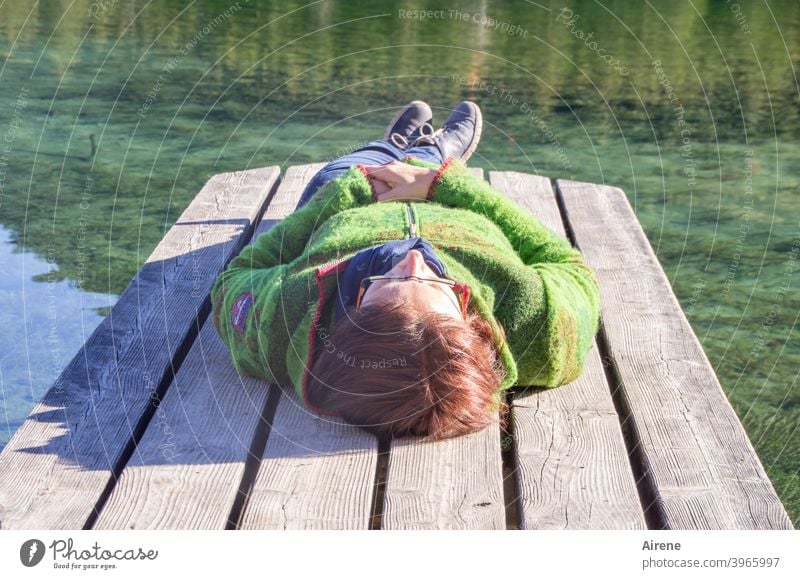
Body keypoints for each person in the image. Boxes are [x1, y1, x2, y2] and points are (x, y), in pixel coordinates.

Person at [211, 100, 601, 441]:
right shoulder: (541, 330)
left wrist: (347, 195)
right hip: (445, 200)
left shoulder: (281, 324)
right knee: (431, 160)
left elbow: (237, 276)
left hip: (349, 200)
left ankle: (391, 145)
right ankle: (434, 151)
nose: (414, 259)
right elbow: (570, 266)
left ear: (354, 311)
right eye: (438, 281)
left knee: (346, 167)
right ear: (469, 320)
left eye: (392, 280)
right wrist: (444, 186)